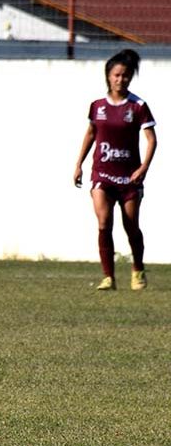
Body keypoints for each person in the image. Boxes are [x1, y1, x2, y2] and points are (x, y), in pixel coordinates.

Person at [74, 49, 157, 290]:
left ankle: (137, 270)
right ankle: (108, 277)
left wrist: (143, 168)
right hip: (102, 173)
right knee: (103, 222)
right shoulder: (97, 106)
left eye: (126, 76)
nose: (121, 79)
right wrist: (79, 163)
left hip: (129, 176)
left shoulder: (138, 106)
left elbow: (151, 139)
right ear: (108, 77)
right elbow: (91, 134)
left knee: (131, 225)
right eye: (117, 75)